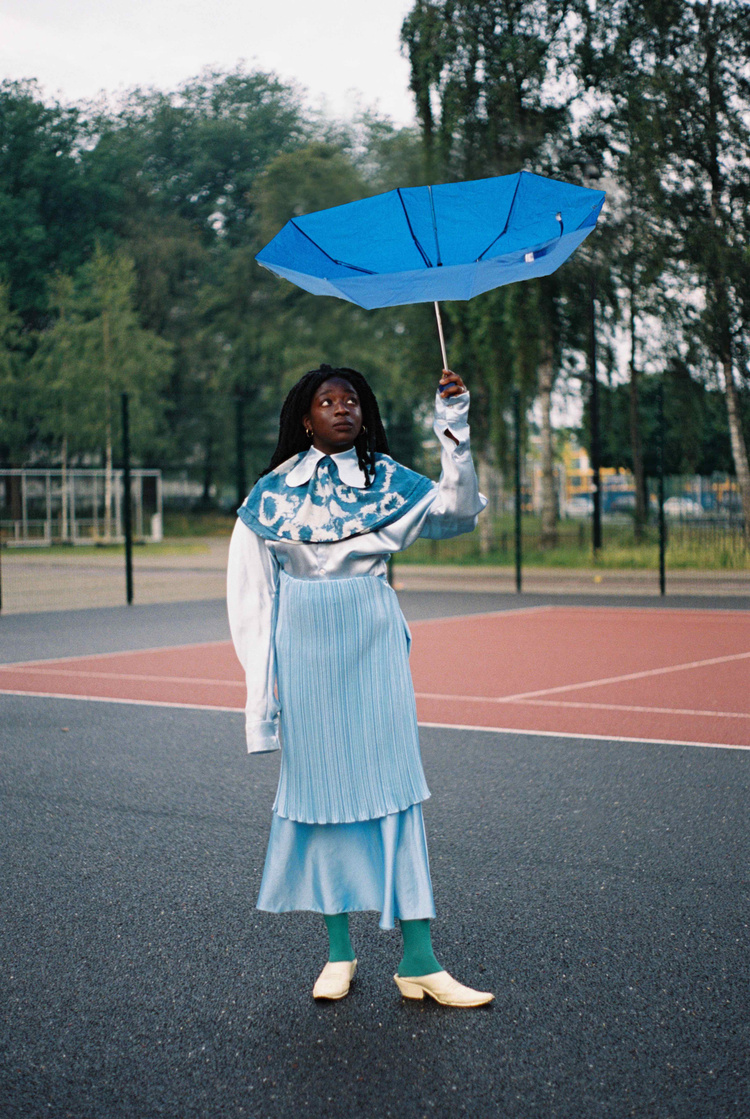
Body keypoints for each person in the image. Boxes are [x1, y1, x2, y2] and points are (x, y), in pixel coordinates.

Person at [227, 362, 493, 1007]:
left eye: (352, 401)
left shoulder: (388, 480)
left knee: (394, 790)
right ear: (305, 418)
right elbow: (252, 602)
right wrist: (261, 702)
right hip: (304, 649)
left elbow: (459, 511)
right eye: (328, 401)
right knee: (320, 797)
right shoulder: (268, 496)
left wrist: (453, 424)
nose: (342, 408)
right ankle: (338, 953)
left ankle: (419, 960)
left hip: (372, 640)